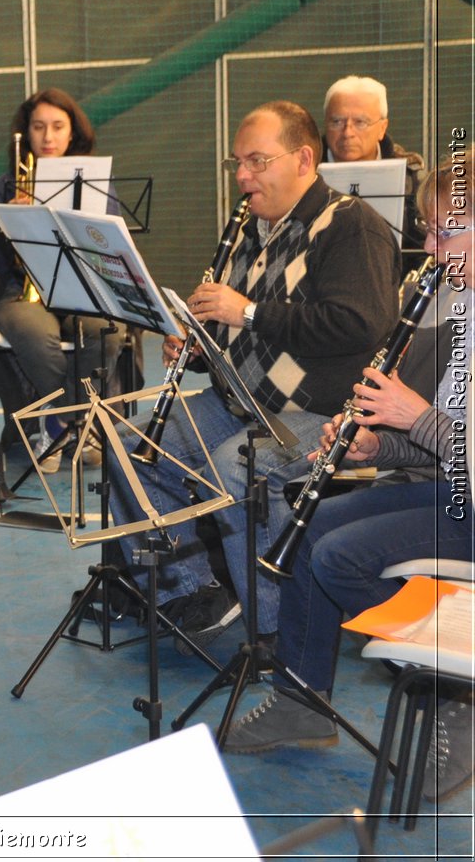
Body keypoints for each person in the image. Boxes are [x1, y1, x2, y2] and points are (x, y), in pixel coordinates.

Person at [106, 101, 399, 649]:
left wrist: (245, 311)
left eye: (257, 161)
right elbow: (238, 326)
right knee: (128, 445)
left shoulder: (350, 225)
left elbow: (360, 325)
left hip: (322, 411)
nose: (242, 176)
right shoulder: (251, 227)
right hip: (239, 401)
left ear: (304, 159)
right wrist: (197, 341)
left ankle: (278, 632)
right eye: (237, 163)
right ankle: (193, 591)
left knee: (236, 470)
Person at [223, 157, 471, 804]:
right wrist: (376, 438)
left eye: (450, 232)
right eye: (429, 230)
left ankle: (457, 690)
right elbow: (436, 441)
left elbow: (447, 437)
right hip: (452, 489)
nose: (432, 249)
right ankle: (302, 699)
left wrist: (416, 415)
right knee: (313, 528)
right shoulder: (462, 305)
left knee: (339, 556)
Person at [0, 88, 121, 470]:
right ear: (27, 132)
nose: (48, 137)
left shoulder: (95, 182)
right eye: (38, 127)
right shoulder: (7, 185)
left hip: (82, 288)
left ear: (73, 133)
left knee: (109, 332)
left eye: (57, 127)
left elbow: (112, 246)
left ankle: (62, 421)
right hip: (20, 291)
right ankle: (66, 419)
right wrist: (11, 226)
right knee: (34, 335)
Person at [320, 74, 427, 252]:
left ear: (382, 128)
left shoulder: (412, 181)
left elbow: (423, 248)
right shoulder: (301, 175)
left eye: (360, 122)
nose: (348, 132)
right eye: (337, 122)